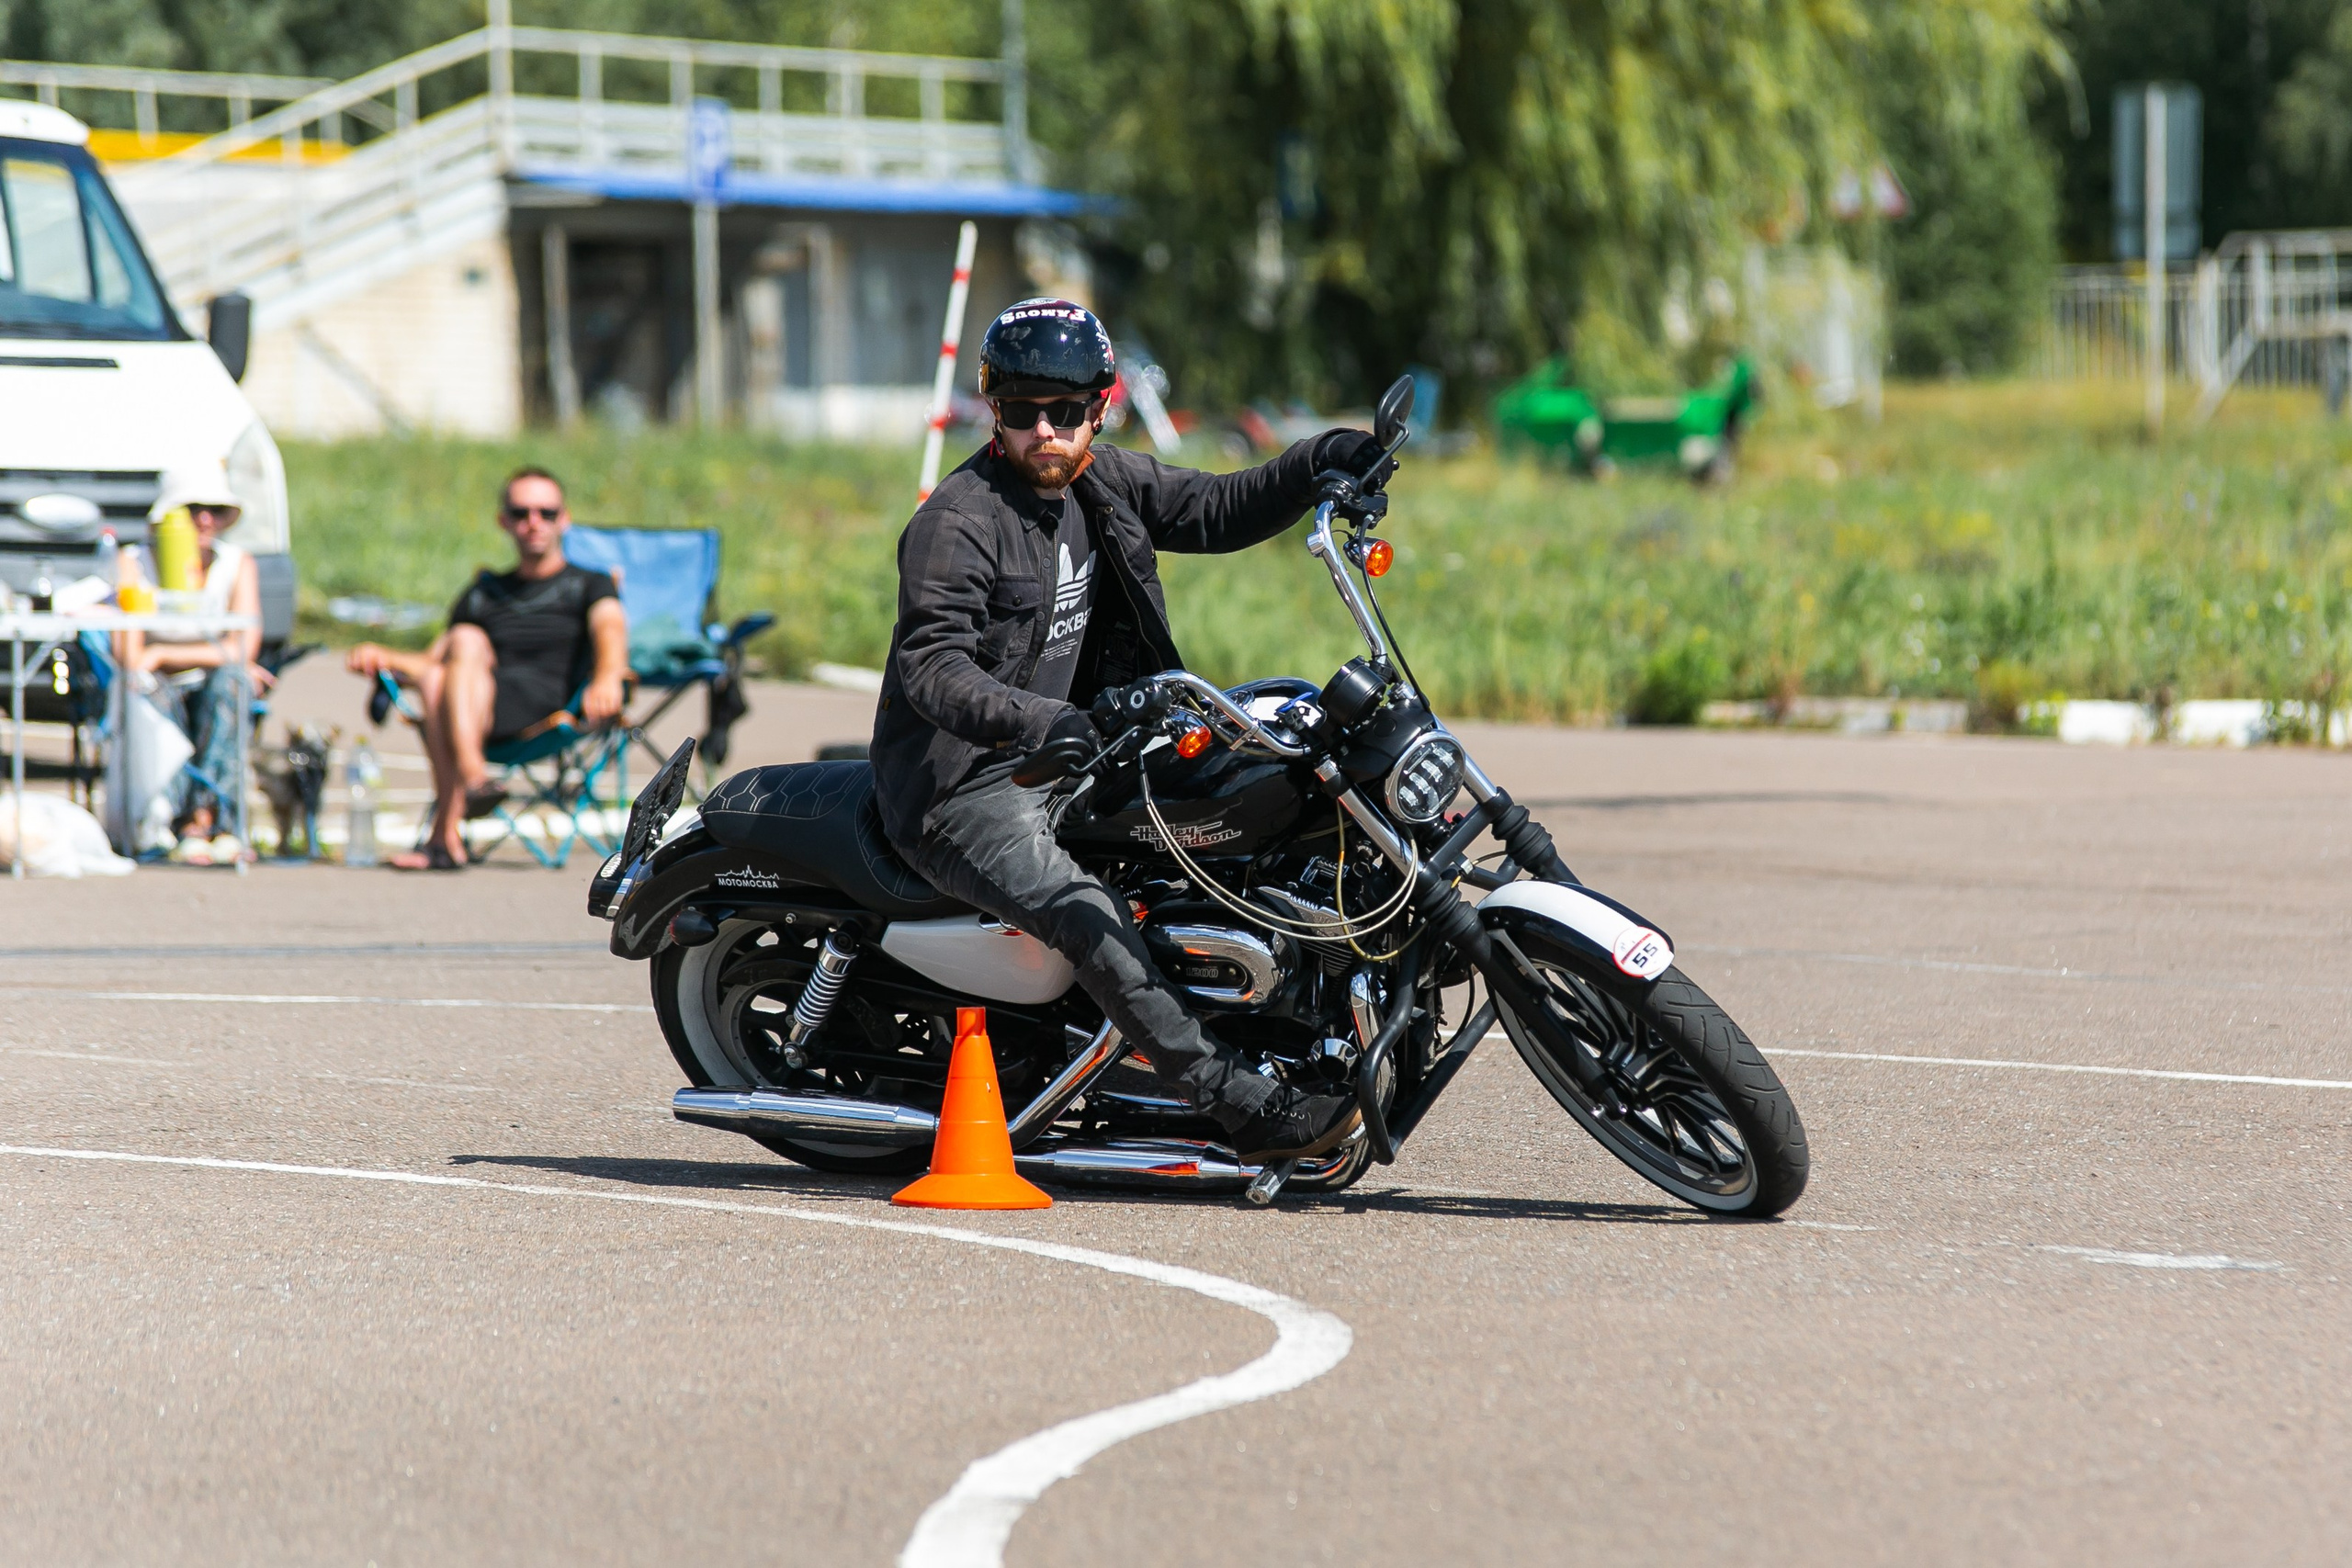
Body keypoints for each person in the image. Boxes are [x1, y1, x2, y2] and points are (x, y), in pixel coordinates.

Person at [871, 299, 1389, 1163]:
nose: (1045, 432)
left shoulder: (1101, 481)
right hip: (964, 784)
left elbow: (1220, 507)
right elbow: (933, 670)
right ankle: (1241, 1106)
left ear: (1099, 407)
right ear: (992, 410)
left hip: (1080, 744)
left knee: (1263, 783)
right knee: (1092, 915)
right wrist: (1044, 719)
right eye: (1022, 411)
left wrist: (1323, 459)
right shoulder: (955, 524)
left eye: (1065, 412)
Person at [346, 468, 627, 871]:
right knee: (456, 650)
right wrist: (378, 654)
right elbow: (429, 662)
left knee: (454, 656)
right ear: (504, 521)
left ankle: (446, 832)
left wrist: (607, 676)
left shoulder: (590, 583)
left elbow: (610, 628)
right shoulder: (486, 590)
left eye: (546, 513)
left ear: (564, 519)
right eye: (521, 512)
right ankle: (471, 787)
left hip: (544, 710)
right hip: (476, 706)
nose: (534, 523)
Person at [118, 461, 270, 865]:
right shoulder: (135, 563)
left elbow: (243, 648)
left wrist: (165, 654)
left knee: (230, 685)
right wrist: (203, 654)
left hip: (206, 677)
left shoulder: (237, 565)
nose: (205, 519)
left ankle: (211, 818)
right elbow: (130, 654)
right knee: (154, 692)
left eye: (215, 510)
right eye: (193, 508)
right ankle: (172, 818)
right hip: (157, 685)